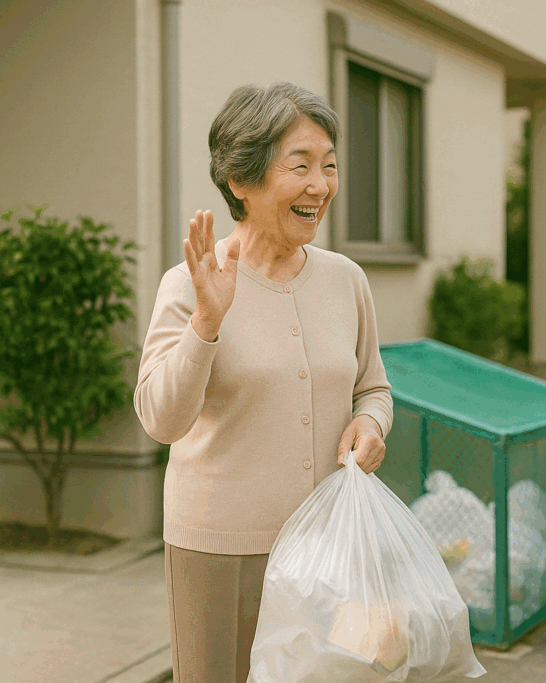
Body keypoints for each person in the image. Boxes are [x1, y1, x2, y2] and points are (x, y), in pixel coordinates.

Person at [134, 81, 393, 683]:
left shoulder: (346, 280)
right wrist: (206, 321)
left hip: (329, 548)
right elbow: (160, 419)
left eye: (329, 167)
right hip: (219, 548)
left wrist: (371, 424)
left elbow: (372, 388)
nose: (320, 186)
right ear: (241, 181)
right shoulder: (189, 283)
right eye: (299, 166)